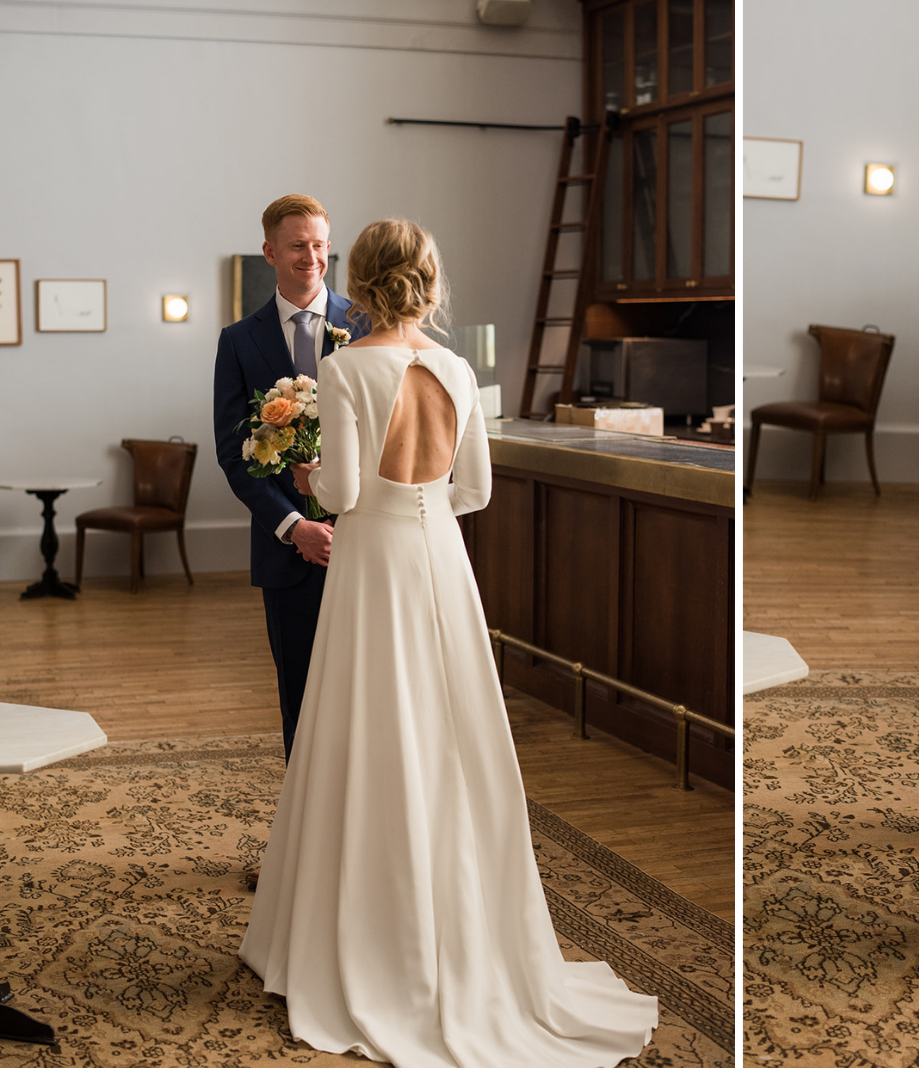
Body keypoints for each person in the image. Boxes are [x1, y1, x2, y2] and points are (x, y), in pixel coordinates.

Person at [239, 219, 658, 1067]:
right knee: (453, 738)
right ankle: (466, 925)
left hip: (375, 568)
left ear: (359, 279)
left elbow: (345, 490)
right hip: (441, 560)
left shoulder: (347, 366)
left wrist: (303, 473)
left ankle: (359, 932)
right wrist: (420, 507)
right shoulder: (459, 368)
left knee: (370, 731)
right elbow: (475, 490)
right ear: (427, 280)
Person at [213, 194, 366, 767]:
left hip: (365, 539)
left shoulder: (367, 325)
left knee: (366, 692)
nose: (312, 257)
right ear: (270, 252)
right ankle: (309, 840)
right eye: (298, 245)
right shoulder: (239, 340)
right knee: (299, 696)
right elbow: (234, 453)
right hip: (287, 551)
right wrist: (293, 525)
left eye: (321, 245)